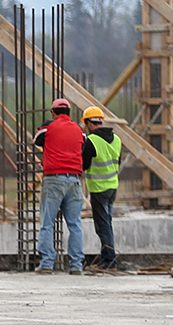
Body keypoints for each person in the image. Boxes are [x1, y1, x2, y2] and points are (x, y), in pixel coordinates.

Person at [32, 97, 85, 274]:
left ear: (53, 113)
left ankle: (47, 263)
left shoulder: (49, 127)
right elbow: (83, 145)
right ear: (69, 113)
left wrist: (48, 124)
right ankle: (76, 265)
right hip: (74, 180)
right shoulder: (79, 130)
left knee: (47, 223)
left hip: (54, 179)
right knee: (75, 224)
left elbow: (37, 140)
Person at [81, 106, 122, 270]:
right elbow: (116, 162)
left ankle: (109, 262)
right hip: (113, 187)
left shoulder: (91, 141)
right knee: (108, 224)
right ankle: (108, 258)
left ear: (89, 123)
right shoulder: (117, 139)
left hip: (99, 189)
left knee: (103, 226)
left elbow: (84, 164)